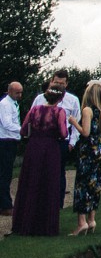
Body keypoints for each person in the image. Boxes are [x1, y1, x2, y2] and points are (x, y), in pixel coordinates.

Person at [11, 77, 71, 235]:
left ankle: (24, 223)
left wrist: (35, 134)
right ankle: (44, 225)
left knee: (30, 182)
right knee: (48, 183)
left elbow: (24, 130)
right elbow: (64, 134)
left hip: (33, 147)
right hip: (50, 148)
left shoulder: (34, 110)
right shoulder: (59, 111)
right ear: (61, 98)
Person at [71, 79, 101, 235]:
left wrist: (74, 122)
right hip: (100, 149)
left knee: (83, 184)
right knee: (95, 184)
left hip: (88, 151)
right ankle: (92, 219)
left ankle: (82, 222)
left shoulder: (87, 110)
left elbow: (85, 132)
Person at [0, 81, 22, 215]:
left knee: (5, 172)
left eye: (20, 92)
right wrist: (22, 130)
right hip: (5, 141)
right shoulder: (5, 104)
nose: (20, 95)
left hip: (11, 140)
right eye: (17, 92)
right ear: (9, 91)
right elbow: (7, 124)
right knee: (5, 173)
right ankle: (5, 204)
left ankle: (4, 203)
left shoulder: (13, 104)